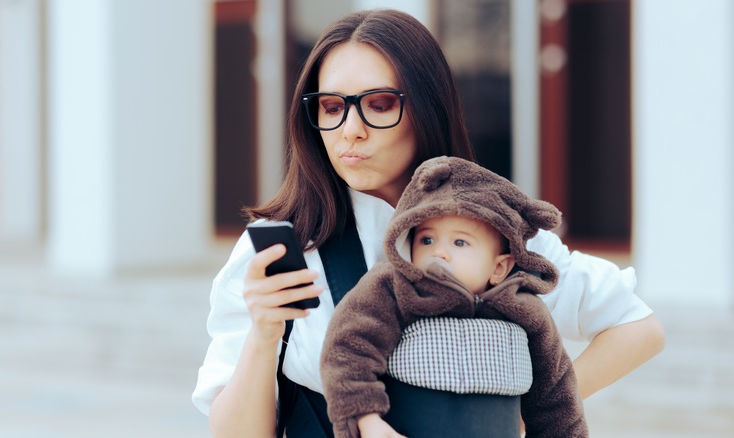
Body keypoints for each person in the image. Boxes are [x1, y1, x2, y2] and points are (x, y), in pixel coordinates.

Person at [192, 8, 665, 437]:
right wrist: (264, 334)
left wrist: (528, 415)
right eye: (332, 108)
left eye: (378, 104)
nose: (350, 130)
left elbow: (638, 328)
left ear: (425, 106)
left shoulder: (494, 228)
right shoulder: (285, 249)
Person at [320, 156, 586, 437]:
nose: (439, 252)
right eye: (427, 240)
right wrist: (366, 420)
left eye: (460, 242)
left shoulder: (526, 310)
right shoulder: (395, 289)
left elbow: (555, 393)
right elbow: (348, 348)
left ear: (499, 268)